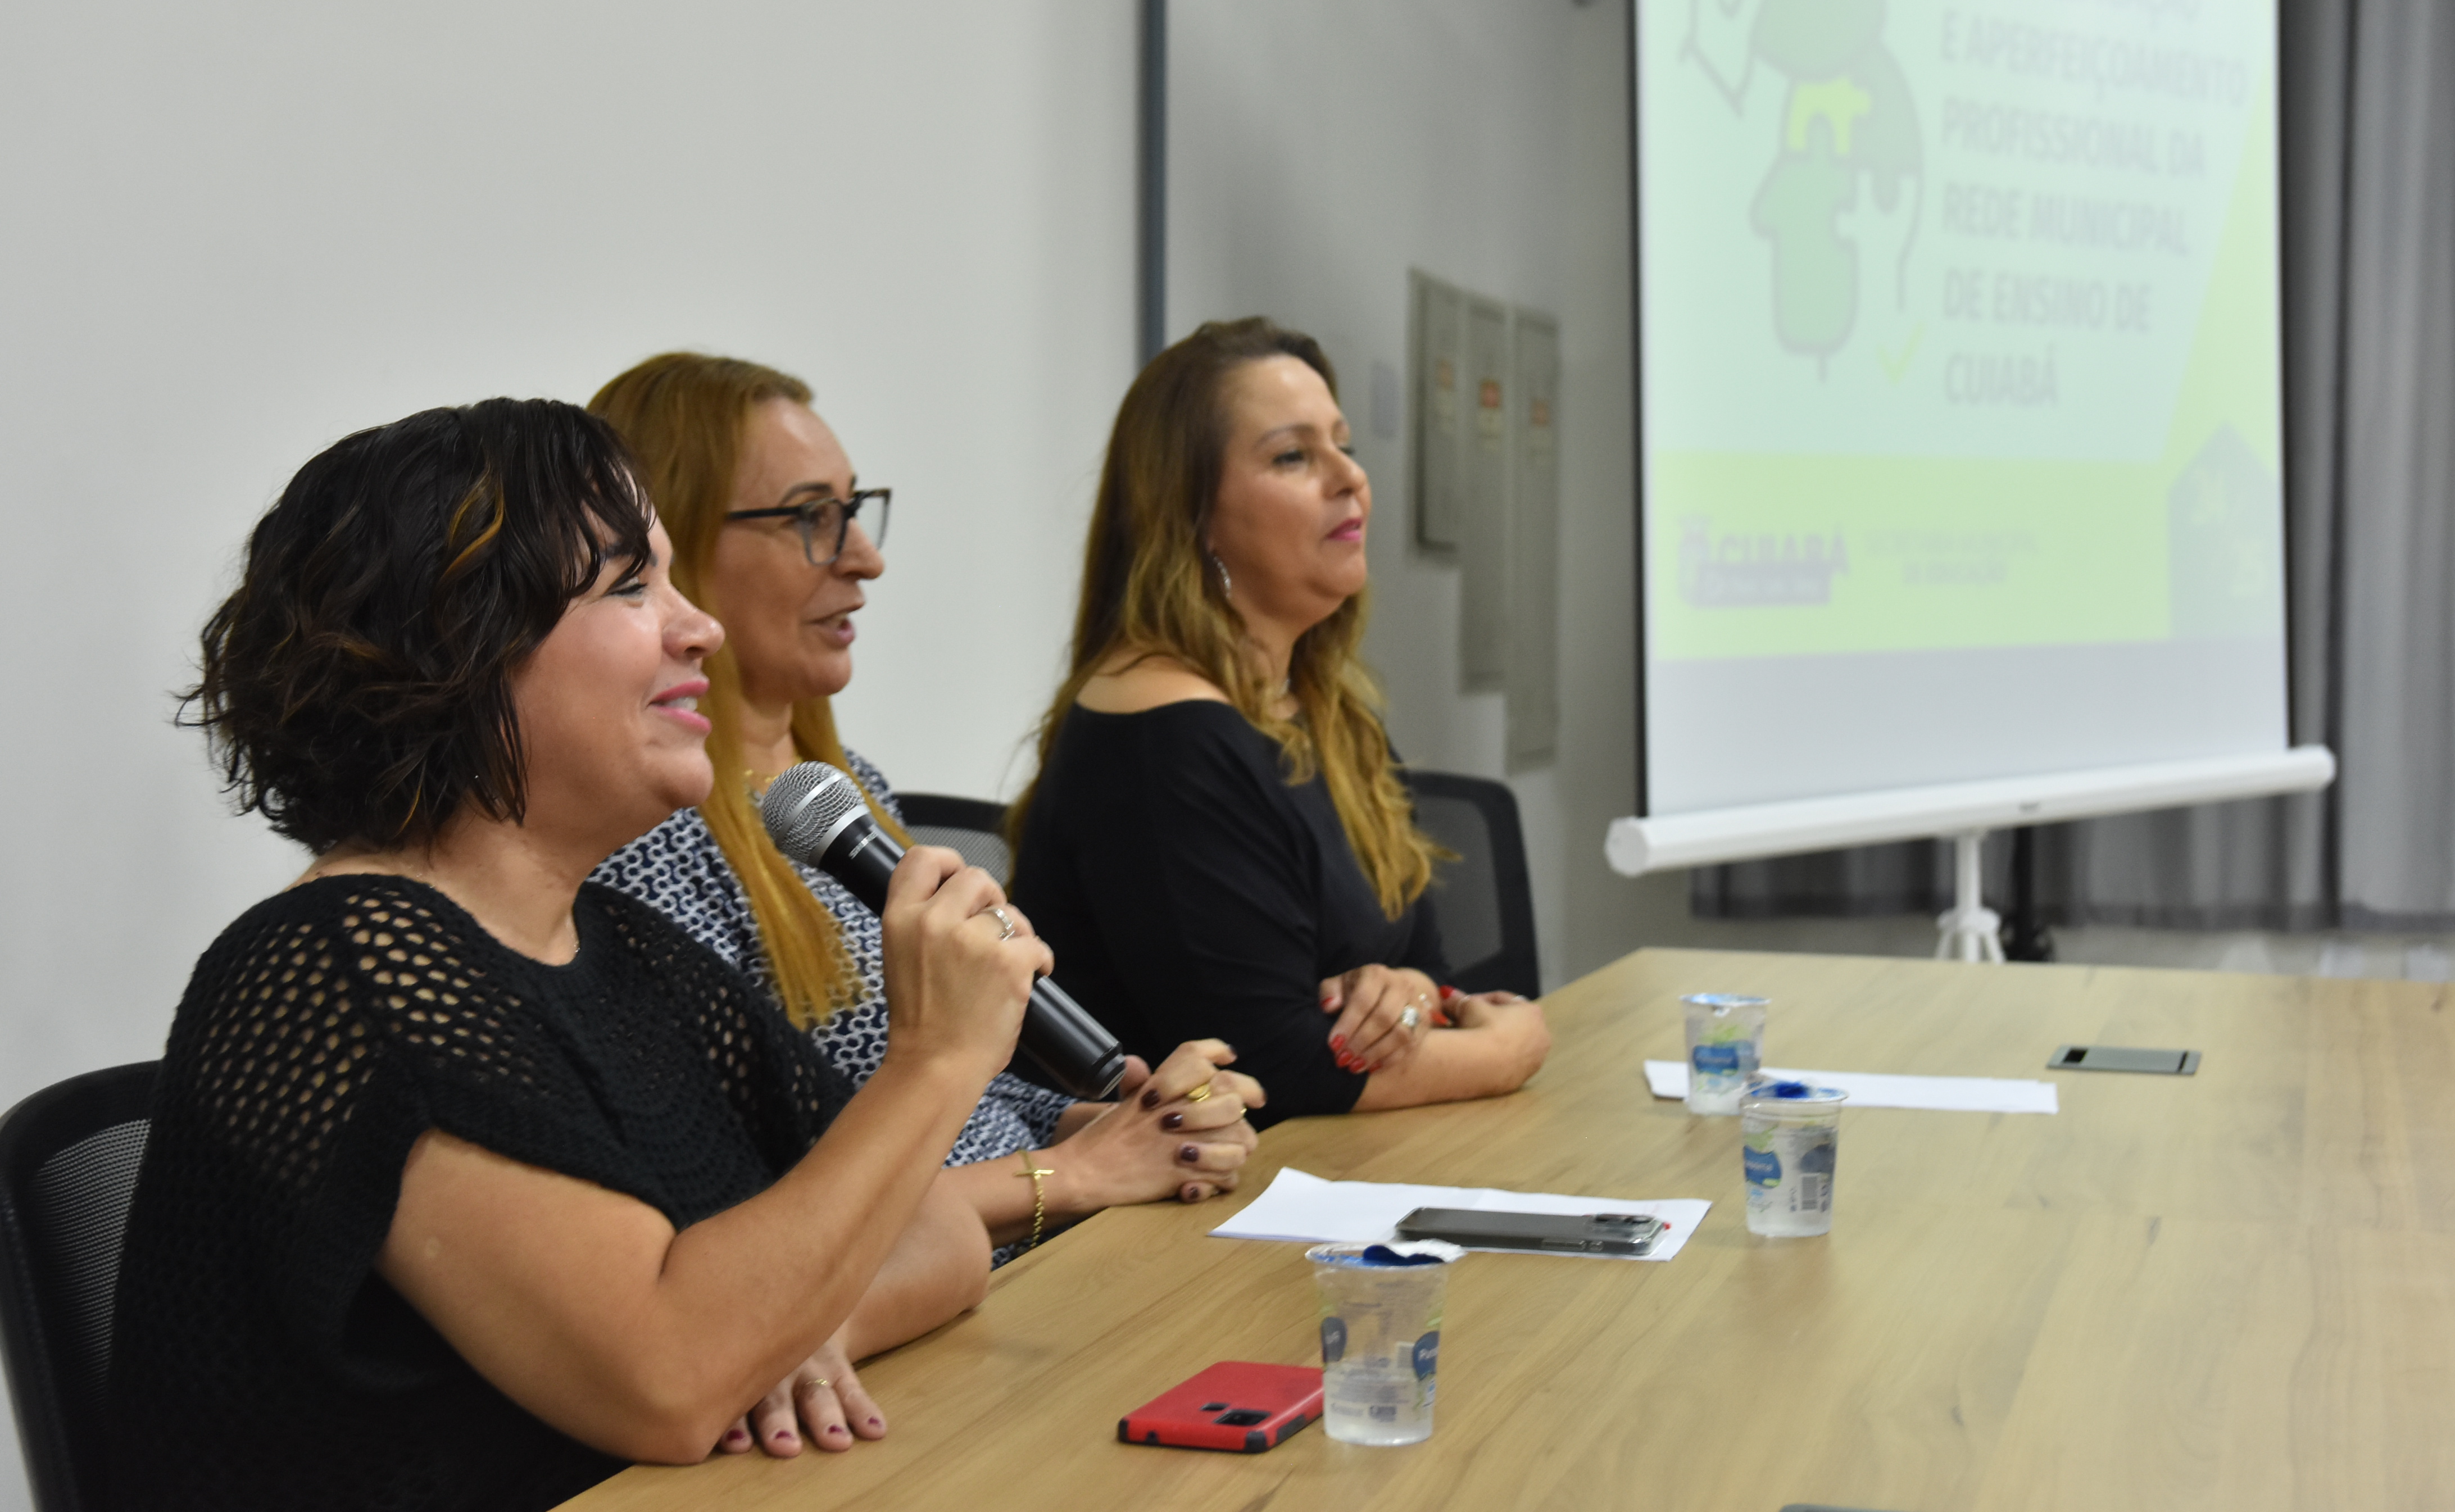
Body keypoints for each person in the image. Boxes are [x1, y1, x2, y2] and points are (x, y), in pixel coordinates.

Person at [110, 399, 1129, 1510]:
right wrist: (933, 1062)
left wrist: (785, 1328)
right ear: (457, 648)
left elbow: (936, 1235)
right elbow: (669, 1377)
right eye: (632, 586)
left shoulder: (626, 951)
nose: (702, 631)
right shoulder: (339, 974)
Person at [584, 355, 1261, 1279]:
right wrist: (1076, 1173)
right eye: (812, 519)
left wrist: (1123, 1123)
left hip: (1014, 1267)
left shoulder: (839, 791)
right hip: (909, 1306)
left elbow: (966, 1104)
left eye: (854, 511)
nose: (865, 557)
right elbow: (754, 1203)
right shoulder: (647, 836)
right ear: (673, 551)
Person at [1008, 318, 1553, 1129]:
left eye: (1345, 445)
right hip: (1185, 1193)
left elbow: (1424, 961)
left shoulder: (1323, 709)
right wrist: (1508, 1050)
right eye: (1294, 456)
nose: (1351, 478)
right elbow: (1269, 1065)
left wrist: (1403, 996)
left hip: (1326, 1166)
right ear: (1193, 515)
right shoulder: (1163, 736)